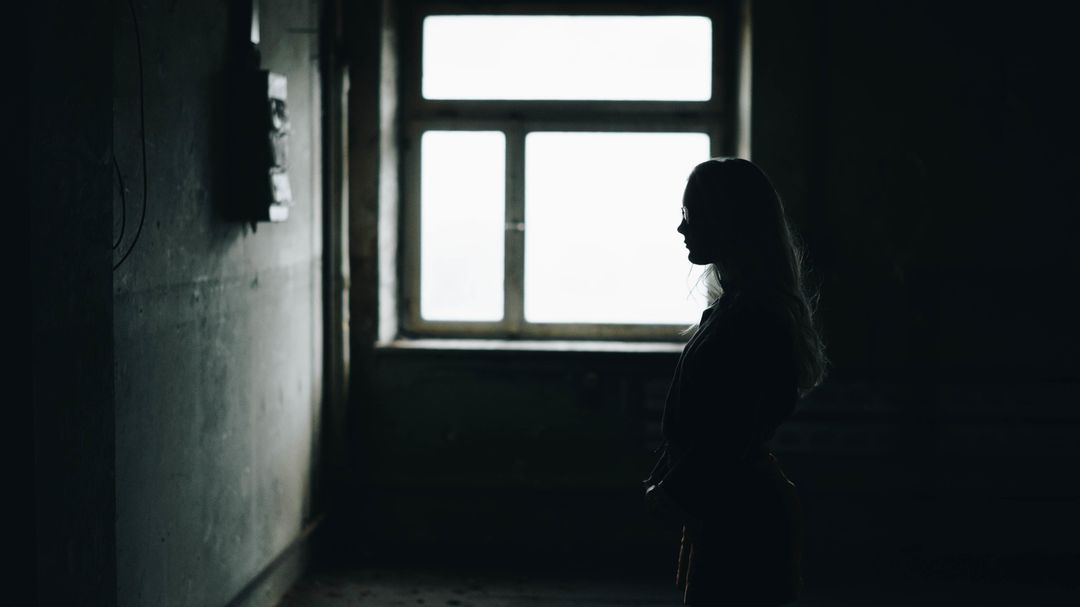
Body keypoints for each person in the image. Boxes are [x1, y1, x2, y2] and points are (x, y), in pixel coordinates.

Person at [643, 157, 827, 606]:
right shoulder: (738, 309)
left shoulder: (750, 319)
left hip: (740, 517)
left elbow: (729, 430)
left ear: (727, 221)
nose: (681, 228)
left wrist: (673, 490)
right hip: (731, 508)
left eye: (690, 215)